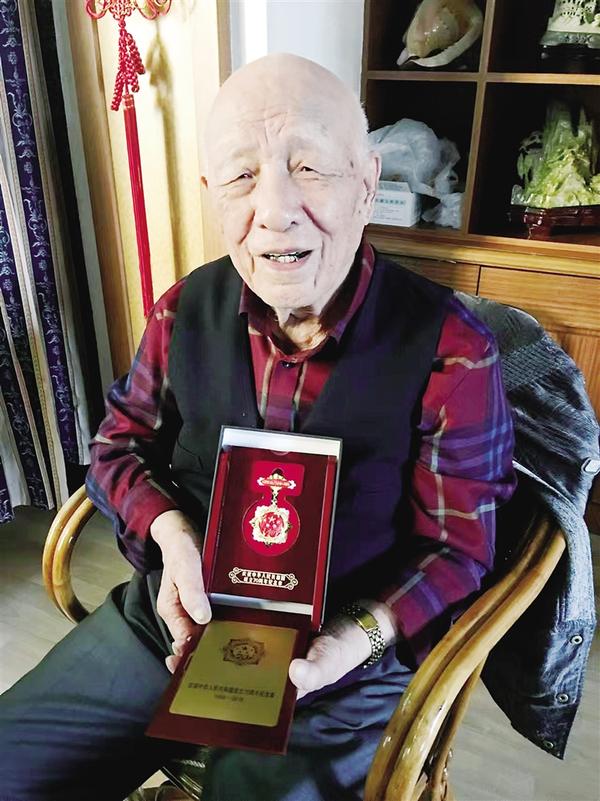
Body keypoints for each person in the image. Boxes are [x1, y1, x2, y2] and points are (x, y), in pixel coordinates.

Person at [0, 53, 515, 801]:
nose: (274, 210)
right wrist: (172, 539)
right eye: (242, 176)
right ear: (212, 195)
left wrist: (354, 640)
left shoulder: (453, 348)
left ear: (366, 182)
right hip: (176, 618)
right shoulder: (183, 311)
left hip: (346, 656)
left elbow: (458, 549)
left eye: (308, 167)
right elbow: (117, 447)